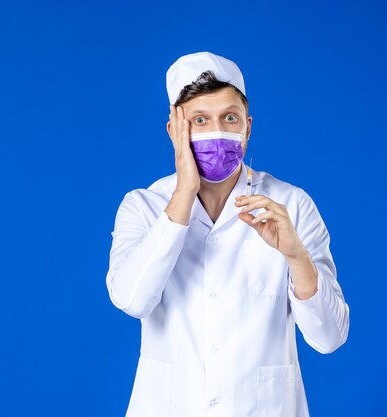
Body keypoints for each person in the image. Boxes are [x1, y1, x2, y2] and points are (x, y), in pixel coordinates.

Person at [105, 52, 350, 417]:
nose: (217, 132)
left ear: (247, 127)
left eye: (229, 118)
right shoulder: (143, 206)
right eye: (200, 120)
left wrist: (297, 256)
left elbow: (330, 337)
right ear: (175, 130)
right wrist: (183, 194)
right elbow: (132, 300)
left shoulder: (291, 204)